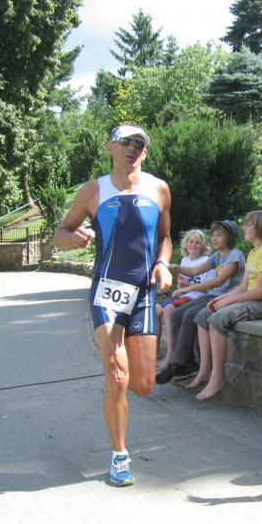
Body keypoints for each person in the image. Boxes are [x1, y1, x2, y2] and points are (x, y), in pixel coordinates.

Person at [53, 123, 173, 487]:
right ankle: (120, 455)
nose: (132, 148)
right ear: (110, 148)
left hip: (144, 293)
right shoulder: (94, 190)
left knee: (143, 384)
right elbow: (60, 234)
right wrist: (72, 239)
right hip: (108, 291)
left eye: (139, 143)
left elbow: (166, 237)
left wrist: (163, 263)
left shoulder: (159, 188)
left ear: (145, 153)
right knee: (118, 375)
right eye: (125, 142)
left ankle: (113, 391)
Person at [188, 210, 262, 401]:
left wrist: (228, 301)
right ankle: (204, 371)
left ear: (259, 227)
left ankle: (217, 378)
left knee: (217, 319)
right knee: (203, 315)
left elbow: (261, 291)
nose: (243, 228)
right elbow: (243, 287)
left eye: (248, 224)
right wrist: (221, 298)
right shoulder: (253, 253)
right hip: (254, 301)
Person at [155, 220, 245, 384]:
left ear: (230, 237)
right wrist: (175, 267)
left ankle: (178, 364)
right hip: (215, 295)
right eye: (213, 235)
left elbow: (219, 280)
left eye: (219, 235)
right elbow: (194, 271)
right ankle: (186, 362)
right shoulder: (217, 256)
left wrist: (189, 288)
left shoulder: (234, 254)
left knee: (190, 314)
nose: (214, 238)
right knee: (176, 314)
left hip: (229, 297)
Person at [155, 229, 215, 365]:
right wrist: (181, 286)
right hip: (186, 295)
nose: (194, 245)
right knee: (155, 310)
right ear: (186, 244)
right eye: (191, 242)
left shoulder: (207, 261)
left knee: (168, 310)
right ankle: (156, 350)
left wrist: (188, 285)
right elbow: (182, 287)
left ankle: (171, 352)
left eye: (198, 242)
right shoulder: (184, 261)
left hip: (197, 297)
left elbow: (210, 289)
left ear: (204, 246)